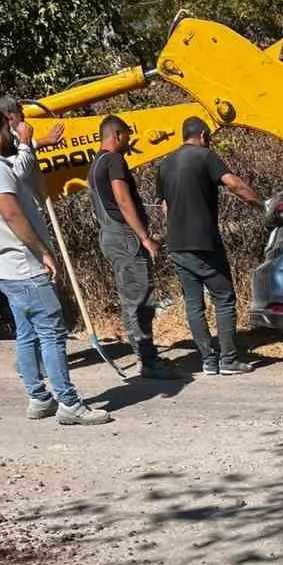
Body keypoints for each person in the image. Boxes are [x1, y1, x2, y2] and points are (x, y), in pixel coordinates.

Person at [0, 107, 111, 426]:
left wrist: (32, 145)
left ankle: (39, 397)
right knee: (52, 333)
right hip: (24, 267)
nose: (12, 134)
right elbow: (12, 214)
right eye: (8, 129)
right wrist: (43, 250)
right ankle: (69, 403)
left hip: (6, 269)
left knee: (27, 333)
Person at [155, 116, 262, 375]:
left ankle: (208, 361)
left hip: (177, 244)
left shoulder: (165, 164)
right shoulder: (205, 156)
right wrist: (262, 204)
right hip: (203, 242)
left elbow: (164, 206)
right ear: (203, 135)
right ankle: (228, 360)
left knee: (193, 303)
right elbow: (233, 183)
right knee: (224, 297)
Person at [88, 115, 171, 379]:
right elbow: (123, 200)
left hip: (110, 237)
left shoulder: (95, 164)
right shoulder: (114, 160)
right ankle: (148, 362)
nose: (130, 140)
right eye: (126, 134)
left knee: (130, 301)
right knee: (140, 300)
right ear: (116, 135)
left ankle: (142, 356)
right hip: (124, 238)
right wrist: (144, 237)